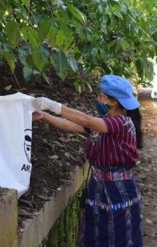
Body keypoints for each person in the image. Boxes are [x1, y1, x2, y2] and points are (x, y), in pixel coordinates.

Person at [32, 75, 142, 247]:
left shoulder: (122, 123)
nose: (98, 99)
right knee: (96, 234)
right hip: (98, 187)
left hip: (118, 190)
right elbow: (72, 125)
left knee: (118, 237)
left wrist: (52, 105)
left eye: (101, 95)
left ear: (112, 102)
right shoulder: (103, 122)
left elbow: (85, 120)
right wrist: (45, 116)